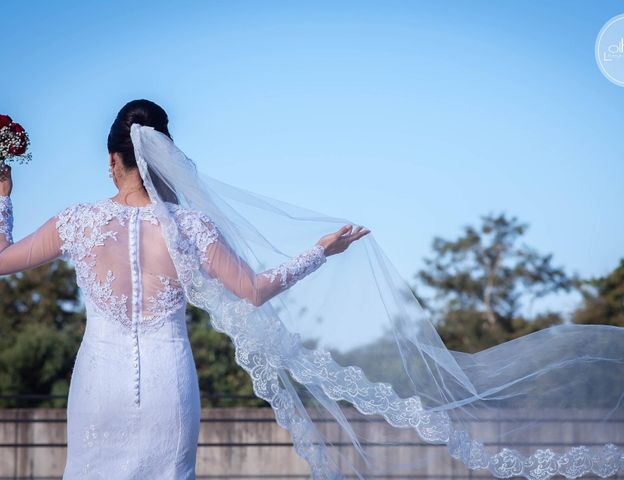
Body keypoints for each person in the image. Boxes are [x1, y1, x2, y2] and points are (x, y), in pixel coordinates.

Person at [0, 99, 369, 478]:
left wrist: (3, 196)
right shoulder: (190, 226)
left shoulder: (76, 221)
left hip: (98, 389)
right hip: (169, 387)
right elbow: (255, 290)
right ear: (163, 158)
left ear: (113, 160)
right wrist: (320, 251)